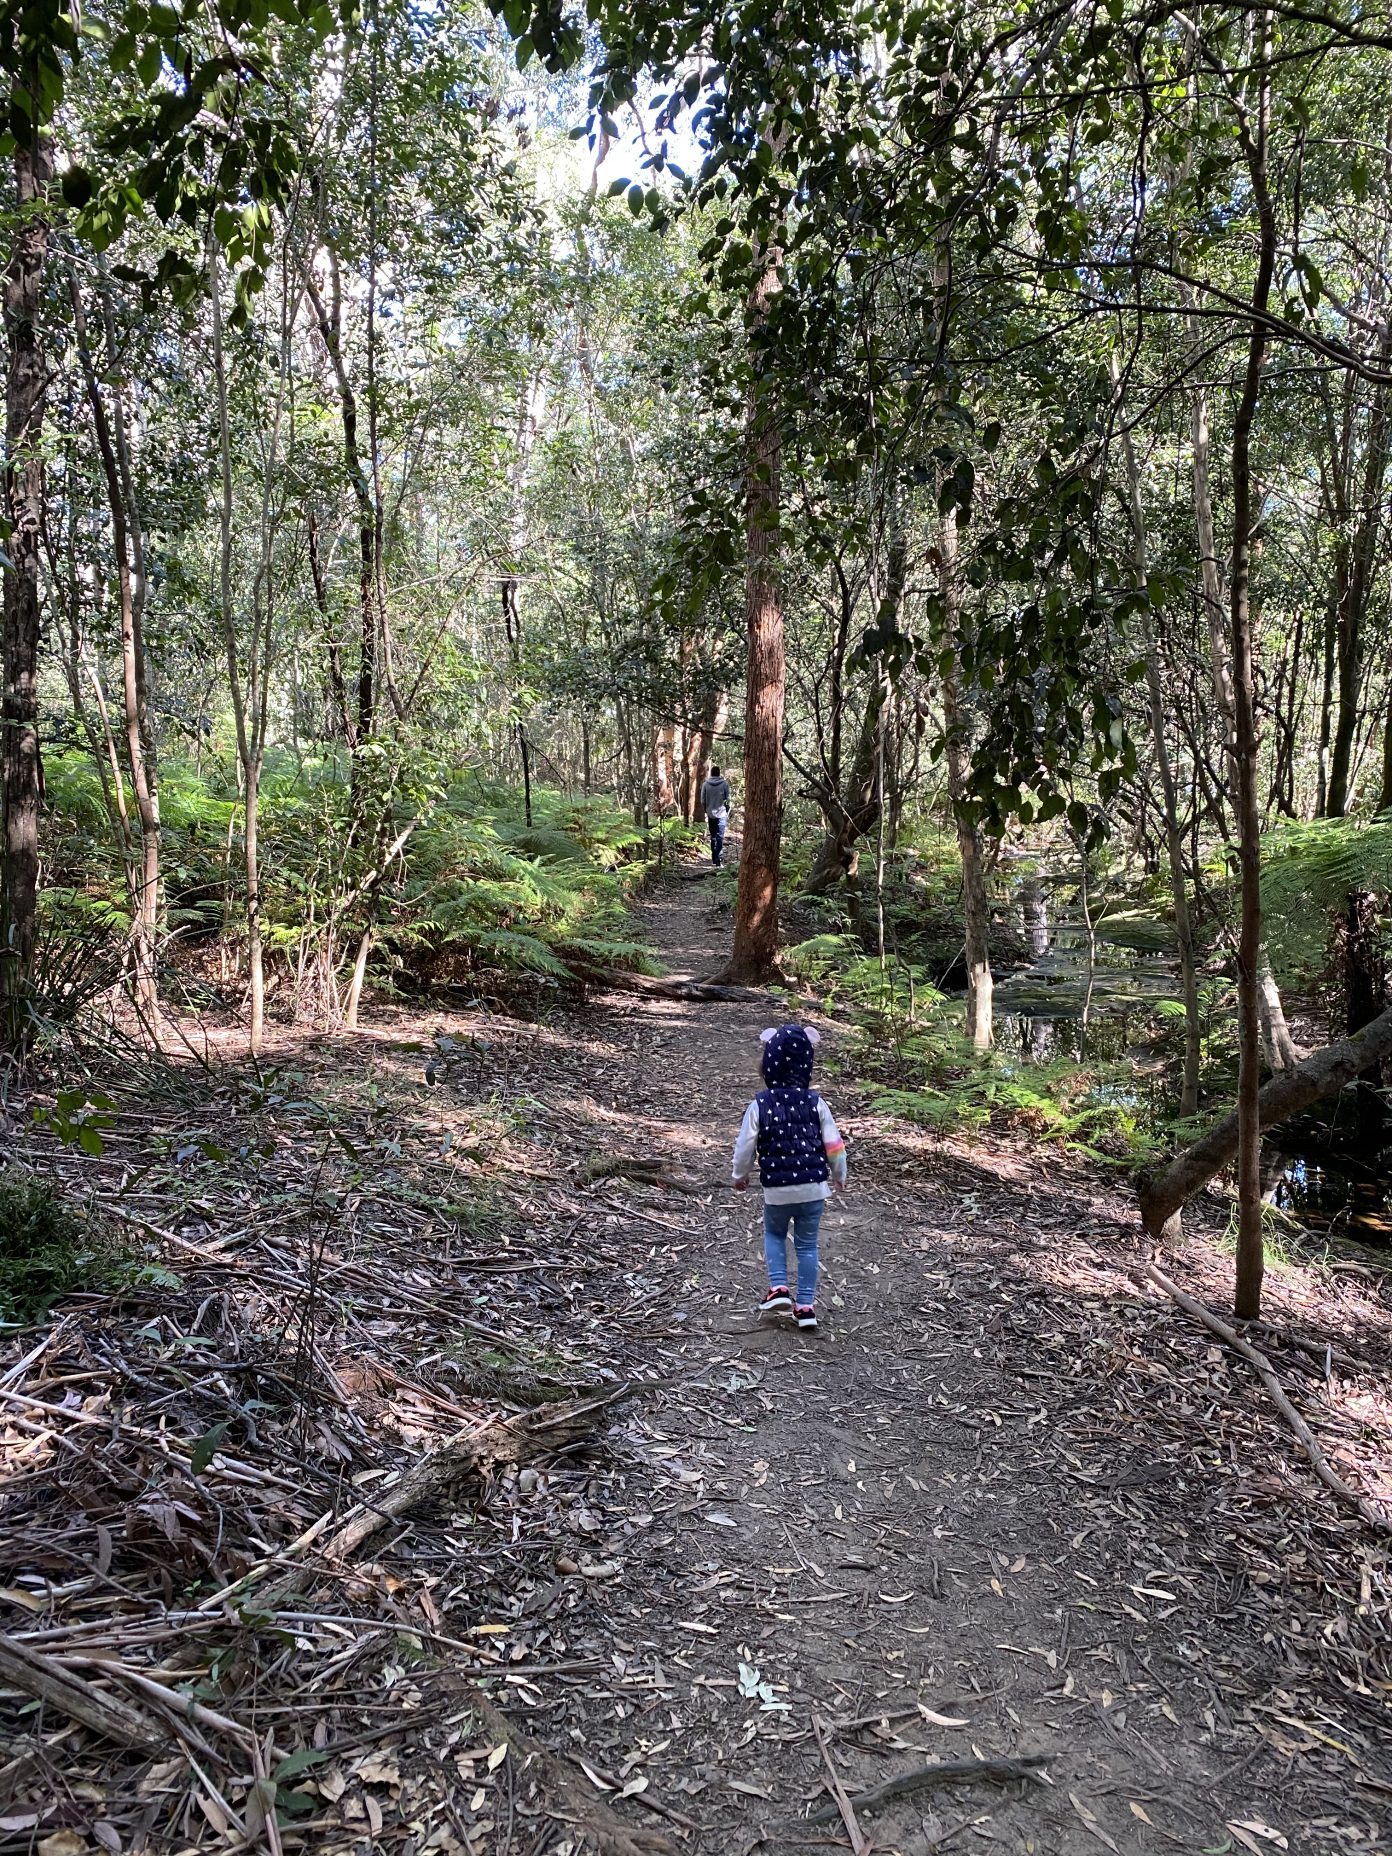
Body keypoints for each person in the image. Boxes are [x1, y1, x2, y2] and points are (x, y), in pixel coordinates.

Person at [731, 1024, 848, 1332]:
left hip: (777, 1191)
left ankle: (779, 1288)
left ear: (768, 1064)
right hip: (813, 1189)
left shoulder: (760, 1104)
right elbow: (834, 1145)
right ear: (806, 1065)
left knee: (774, 1234)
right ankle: (806, 1306)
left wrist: (740, 1175)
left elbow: (745, 1145)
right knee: (808, 1245)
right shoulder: (816, 1103)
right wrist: (839, 1175)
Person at [700, 762, 731, 866]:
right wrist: (727, 809)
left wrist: (706, 810)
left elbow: (703, 800)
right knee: (720, 836)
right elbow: (728, 799)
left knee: (713, 836)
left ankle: (714, 858)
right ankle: (719, 859)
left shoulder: (705, 784)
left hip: (710, 813)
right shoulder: (724, 784)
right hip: (722, 814)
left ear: (711, 774)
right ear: (719, 774)